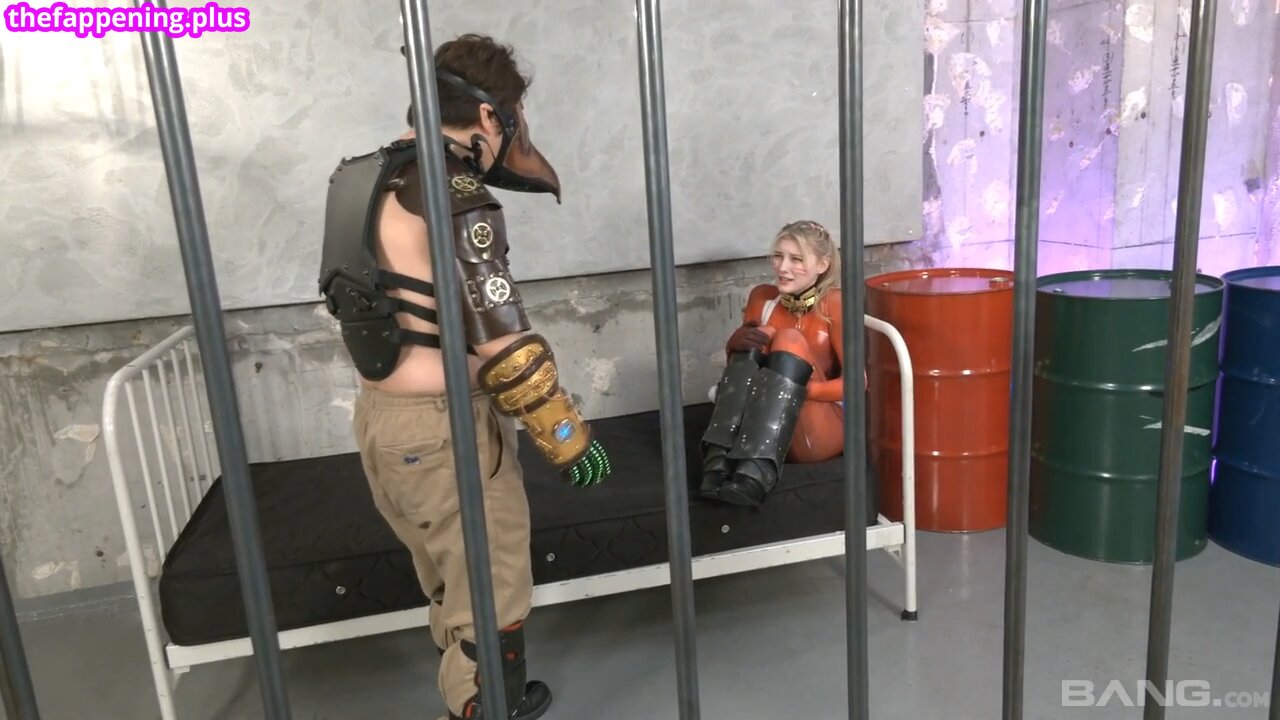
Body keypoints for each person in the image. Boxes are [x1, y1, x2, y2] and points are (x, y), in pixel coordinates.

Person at [318, 33, 610, 720]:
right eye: (510, 117)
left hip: (382, 422)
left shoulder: (359, 177)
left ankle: (465, 687)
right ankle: (486, 704)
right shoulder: (454, 191)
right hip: (445, 429)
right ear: (487, 115)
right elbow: (505, 345)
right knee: (491, 583)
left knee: (447, 574)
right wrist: (569, 439)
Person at [699, 219, 854, 506]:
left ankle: (756, 472)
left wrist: (795, 390)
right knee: (760, 336)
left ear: (822, 265)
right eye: (778, 256)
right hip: (759, 433)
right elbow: (744, 372)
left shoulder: (834, 303)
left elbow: (857, 385)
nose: (783, 267)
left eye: (796, 259)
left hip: (819, 431)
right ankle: (718, 460)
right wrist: (733, 343)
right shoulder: (762, 298)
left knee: (789, 338)